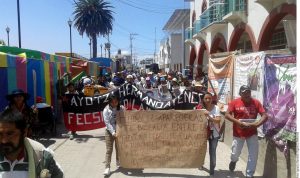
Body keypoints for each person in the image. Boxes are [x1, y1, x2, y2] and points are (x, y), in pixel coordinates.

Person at [0, 109, 64, 178]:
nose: (4, 140)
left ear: (24, 132)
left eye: (10, 134)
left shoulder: (42, 158)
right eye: (0, 134)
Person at [225, 85, 268, 178]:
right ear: (240, 93)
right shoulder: (235, 102)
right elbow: (227, 115)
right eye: (244, 93)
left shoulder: (256, 103)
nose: (247, 94)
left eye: (248, 92)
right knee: (235, 153)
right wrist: (237, 122)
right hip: (238, 133)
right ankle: (233, 161)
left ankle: (249, 174)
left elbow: (265, 115)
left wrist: (257, 124)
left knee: (253, 155)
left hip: (252, 133)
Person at [200, 92, 221, 176]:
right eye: (206, 98)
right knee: (202, 150)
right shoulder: (200, 108)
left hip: (214, 133)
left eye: (210, 98)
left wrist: (209, 116)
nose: (208, 100)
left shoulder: (216, 108)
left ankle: (212, 169)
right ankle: (200, 163)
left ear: (212, 99)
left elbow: (218, 120)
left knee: (212, 152)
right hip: (203, 133)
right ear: (203, 100)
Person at [103, 95, 124, 176]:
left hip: (119, 131)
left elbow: (126, 117)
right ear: (109, 102)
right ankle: (107, 167)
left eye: (116, 101)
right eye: (112, 102)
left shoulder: (122, 108)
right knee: (109, 150)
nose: (114, 103)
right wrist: (113, 132)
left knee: (118, 148)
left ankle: (118, 161)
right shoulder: (106, 110)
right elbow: (107, 123)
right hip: (109, 132)